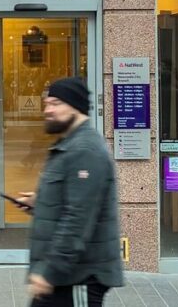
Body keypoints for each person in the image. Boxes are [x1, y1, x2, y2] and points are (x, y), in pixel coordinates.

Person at [15, 77, 123, 306]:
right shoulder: (69, 144)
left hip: (79, 278)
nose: (48, 110)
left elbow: (78, 219)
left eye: (55, 103)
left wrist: (49, 273)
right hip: (63, 277)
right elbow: (72, 200)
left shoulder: (85, 150)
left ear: (75, 106)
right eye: (47, 103)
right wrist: (40, 202)